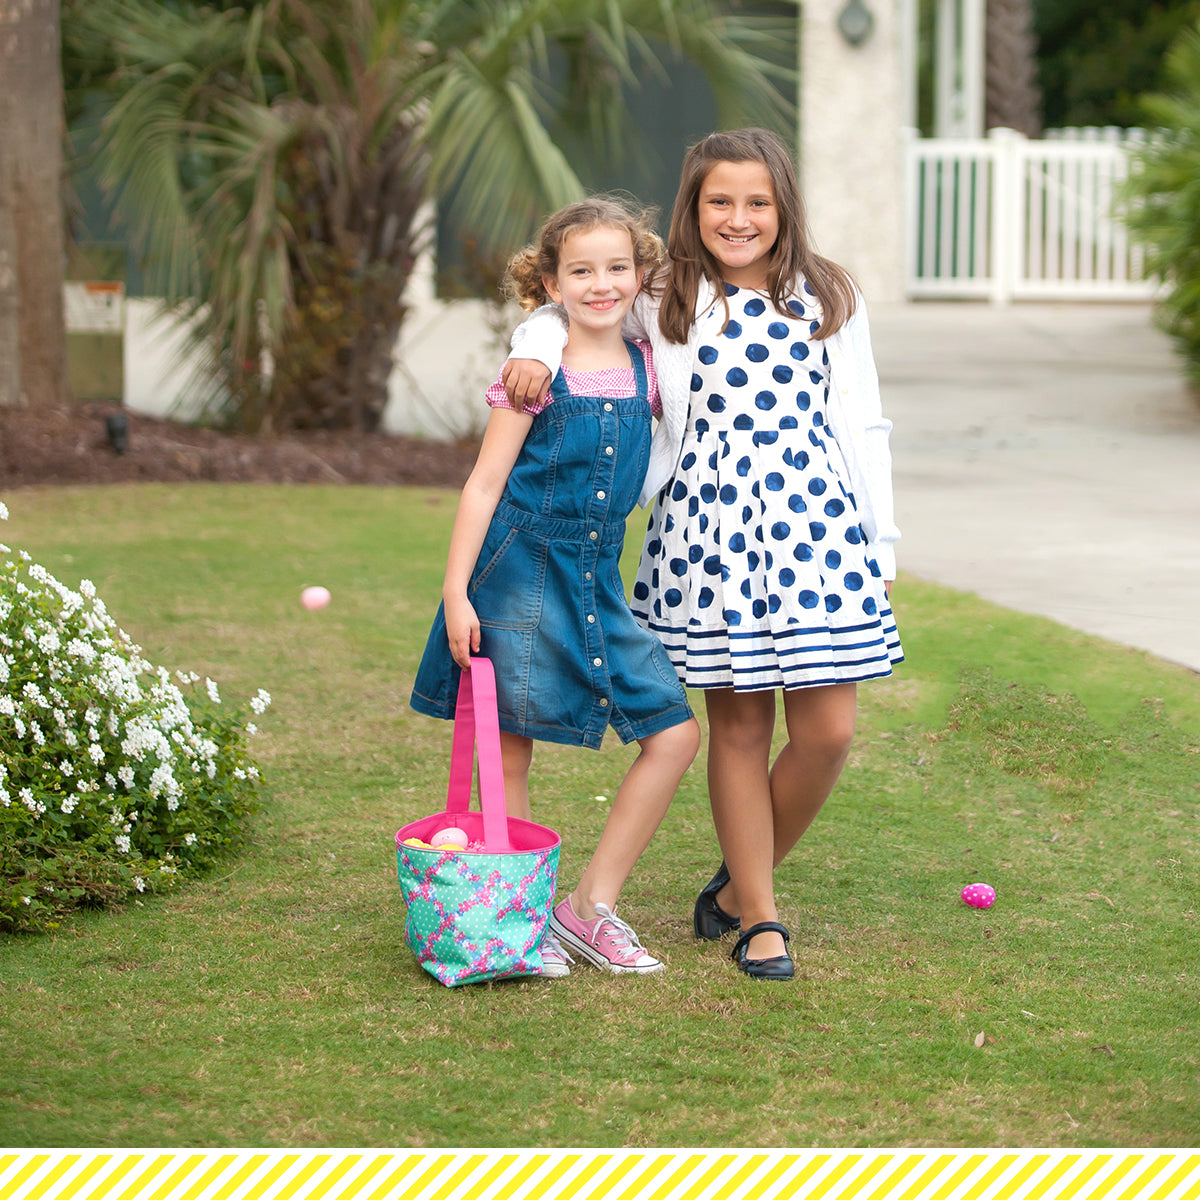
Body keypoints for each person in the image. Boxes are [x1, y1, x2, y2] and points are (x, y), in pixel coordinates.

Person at [502, 129, 903, 981]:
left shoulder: (828, 294)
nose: (738, 217)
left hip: (817, 529)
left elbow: (862, 421)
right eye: (720, 200)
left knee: (829, 731)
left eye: (757, 201)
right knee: (741, 726)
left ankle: (729, 890)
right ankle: (760, 915)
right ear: (693, 206)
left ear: (783, 206)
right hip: (707, 530)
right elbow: (571, 304)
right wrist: (532, 350)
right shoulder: (665, 292)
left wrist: (882, 536)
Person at [410, 197, 701, 978]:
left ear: (641, 276)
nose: (601, 284)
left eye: (616, 268)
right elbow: (482, 485)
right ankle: (516, 926)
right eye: (581, 270)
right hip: (516, 568)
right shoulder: (531, 371)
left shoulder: (651, 365)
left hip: (599, 574)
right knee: (509, 756)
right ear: (550, 281)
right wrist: (455, 593)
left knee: (674, 734)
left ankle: (588, 908)